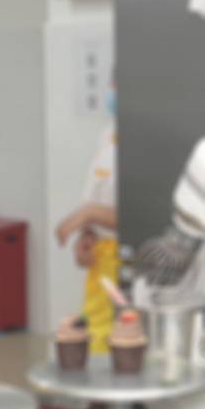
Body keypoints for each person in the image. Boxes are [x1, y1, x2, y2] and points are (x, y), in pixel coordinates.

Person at [55, 80, 118, 352]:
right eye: (111, 83)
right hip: (102, 257)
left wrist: (89, 213)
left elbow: (144, 216)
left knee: (115, 343)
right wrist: (89, 232)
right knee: (93, 337)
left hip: (128, 260)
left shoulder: (149, 141)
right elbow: (104, 193)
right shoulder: (108, 134)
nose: (111, 91)